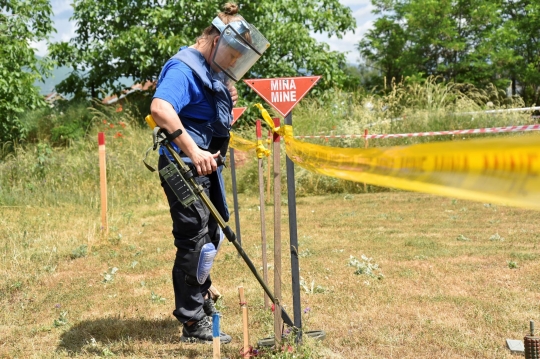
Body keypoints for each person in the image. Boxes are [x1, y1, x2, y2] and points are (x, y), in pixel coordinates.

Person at [149, 3, 269, 344]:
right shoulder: (183, 67)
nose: (233, 64)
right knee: (194, 241)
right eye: (232, 55)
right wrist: (195, 151)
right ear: (216, 39)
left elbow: (203, 117)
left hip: (202, 168)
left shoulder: (206, 70)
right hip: (181, 167)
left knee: (210, 236)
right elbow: (160, 108)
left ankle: (200, 296)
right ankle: (192, 322)